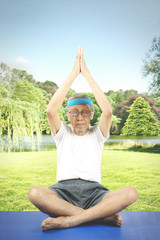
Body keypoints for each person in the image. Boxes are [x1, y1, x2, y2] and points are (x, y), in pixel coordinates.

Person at [28, 46, 138, 231]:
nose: (80, 117)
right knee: (35, 193)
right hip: (63, 192)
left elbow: (108, 111)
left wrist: (85, 73)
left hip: (96, 193)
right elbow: (49, 110)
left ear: (92, 114)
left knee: (131, 193)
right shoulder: (62, 133)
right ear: (68, 115)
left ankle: (71, 219)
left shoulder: (98, 133)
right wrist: (73, 73)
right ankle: (98, 217)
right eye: (74, 112)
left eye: (85, 112)